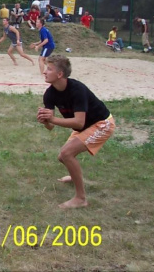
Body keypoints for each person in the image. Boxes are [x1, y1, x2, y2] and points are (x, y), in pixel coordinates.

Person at [37, 55, 116, 209]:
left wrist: (52, 119)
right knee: (63, 156)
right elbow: (51, 126)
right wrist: (45, 121)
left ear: (60, 74)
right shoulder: (49, 94)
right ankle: (75, 177)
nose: (44, 72)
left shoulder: (77, 89)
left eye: (49, 69)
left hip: (102, 124)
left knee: (67, 153)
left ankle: (81, 199)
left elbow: (78, 122)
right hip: (84, 127)